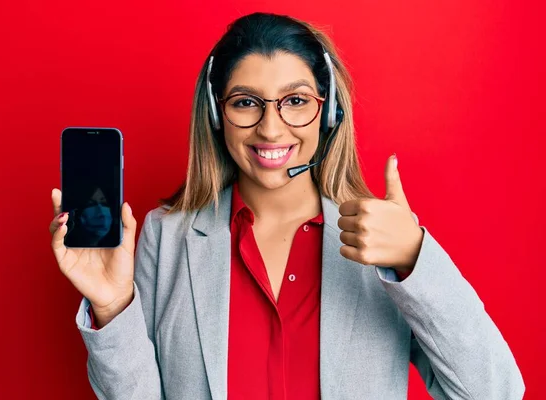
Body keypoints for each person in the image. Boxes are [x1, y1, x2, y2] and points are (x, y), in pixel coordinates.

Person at [49, 12, 524, 400]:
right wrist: (112, 307)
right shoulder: (164, 236)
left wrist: (414, 259)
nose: (272, 130)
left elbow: (495, 391)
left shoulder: (383, 242)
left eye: (295, 101)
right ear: (216, 114)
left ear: (330, 110)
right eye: (245, 102)